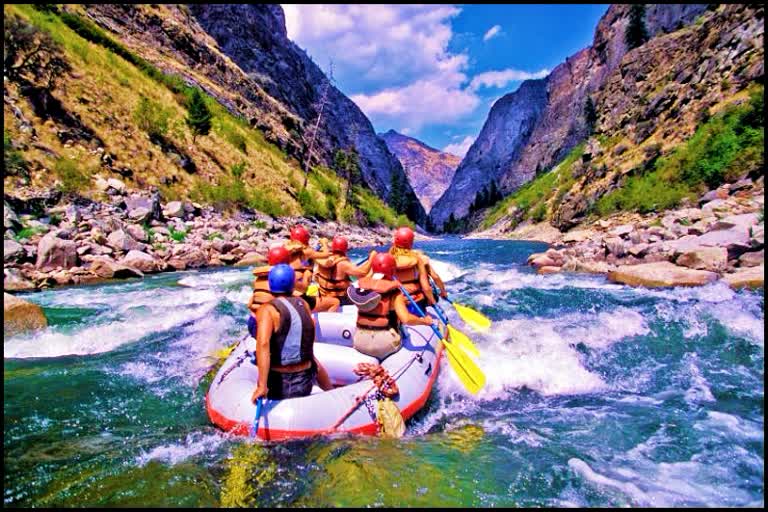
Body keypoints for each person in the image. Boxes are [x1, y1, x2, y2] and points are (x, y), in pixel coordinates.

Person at [251, 264, 332, 402]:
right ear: (292, 284)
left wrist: (262, 386)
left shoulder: (267, 310)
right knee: (310, 359)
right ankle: (331, 392)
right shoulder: (304, 304)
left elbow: (263, 343)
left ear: (270, 284)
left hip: (280, 383)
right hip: (305, 380)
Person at [348, 252, 434, 360]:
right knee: (398, 322)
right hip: (385, 344)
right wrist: (425, 321)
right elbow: (406, 319)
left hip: (359, 341)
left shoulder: (362, 288)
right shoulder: (394, 292)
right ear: (393, 270)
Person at [386, 226, 448, 312]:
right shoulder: (418, 259)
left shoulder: (386, 260)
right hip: (415, 302)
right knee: (431, 292)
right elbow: (431, 282)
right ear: (411, 243)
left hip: (394, 302)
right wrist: (439, 295)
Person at [283, 224, 336, 312]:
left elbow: (304, 261)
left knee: (312, 290)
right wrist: (324, 243)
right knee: (335, 302)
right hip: (299, 295)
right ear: (306, 239)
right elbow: (326, 254)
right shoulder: (307, 251)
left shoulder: (287, 251)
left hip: (288, 292)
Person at [313, 235, 373, 311]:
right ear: (345, 249)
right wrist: (372, 258)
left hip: (323, 296)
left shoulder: (323, 259)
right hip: (339, 300)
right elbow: (363, 273)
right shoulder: (344, 264)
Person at [246, 245, 291, 337]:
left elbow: (251, 303)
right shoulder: (281, 280)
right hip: (267, 325)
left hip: (252, 320)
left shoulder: (257, 279)